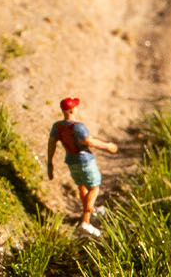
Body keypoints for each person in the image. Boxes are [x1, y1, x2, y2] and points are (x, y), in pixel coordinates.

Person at [47, 96, 119, 236]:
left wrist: (50, 163)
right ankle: (85, 221)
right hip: (85, 161)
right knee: (94, 188)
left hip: (71, 161)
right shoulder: (78, 127)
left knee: (82, 186)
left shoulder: (57, 126)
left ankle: (92, 210)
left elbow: (51, 144)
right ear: (72, 110)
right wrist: (108, 146)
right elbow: (89, 141)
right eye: (75, 107)